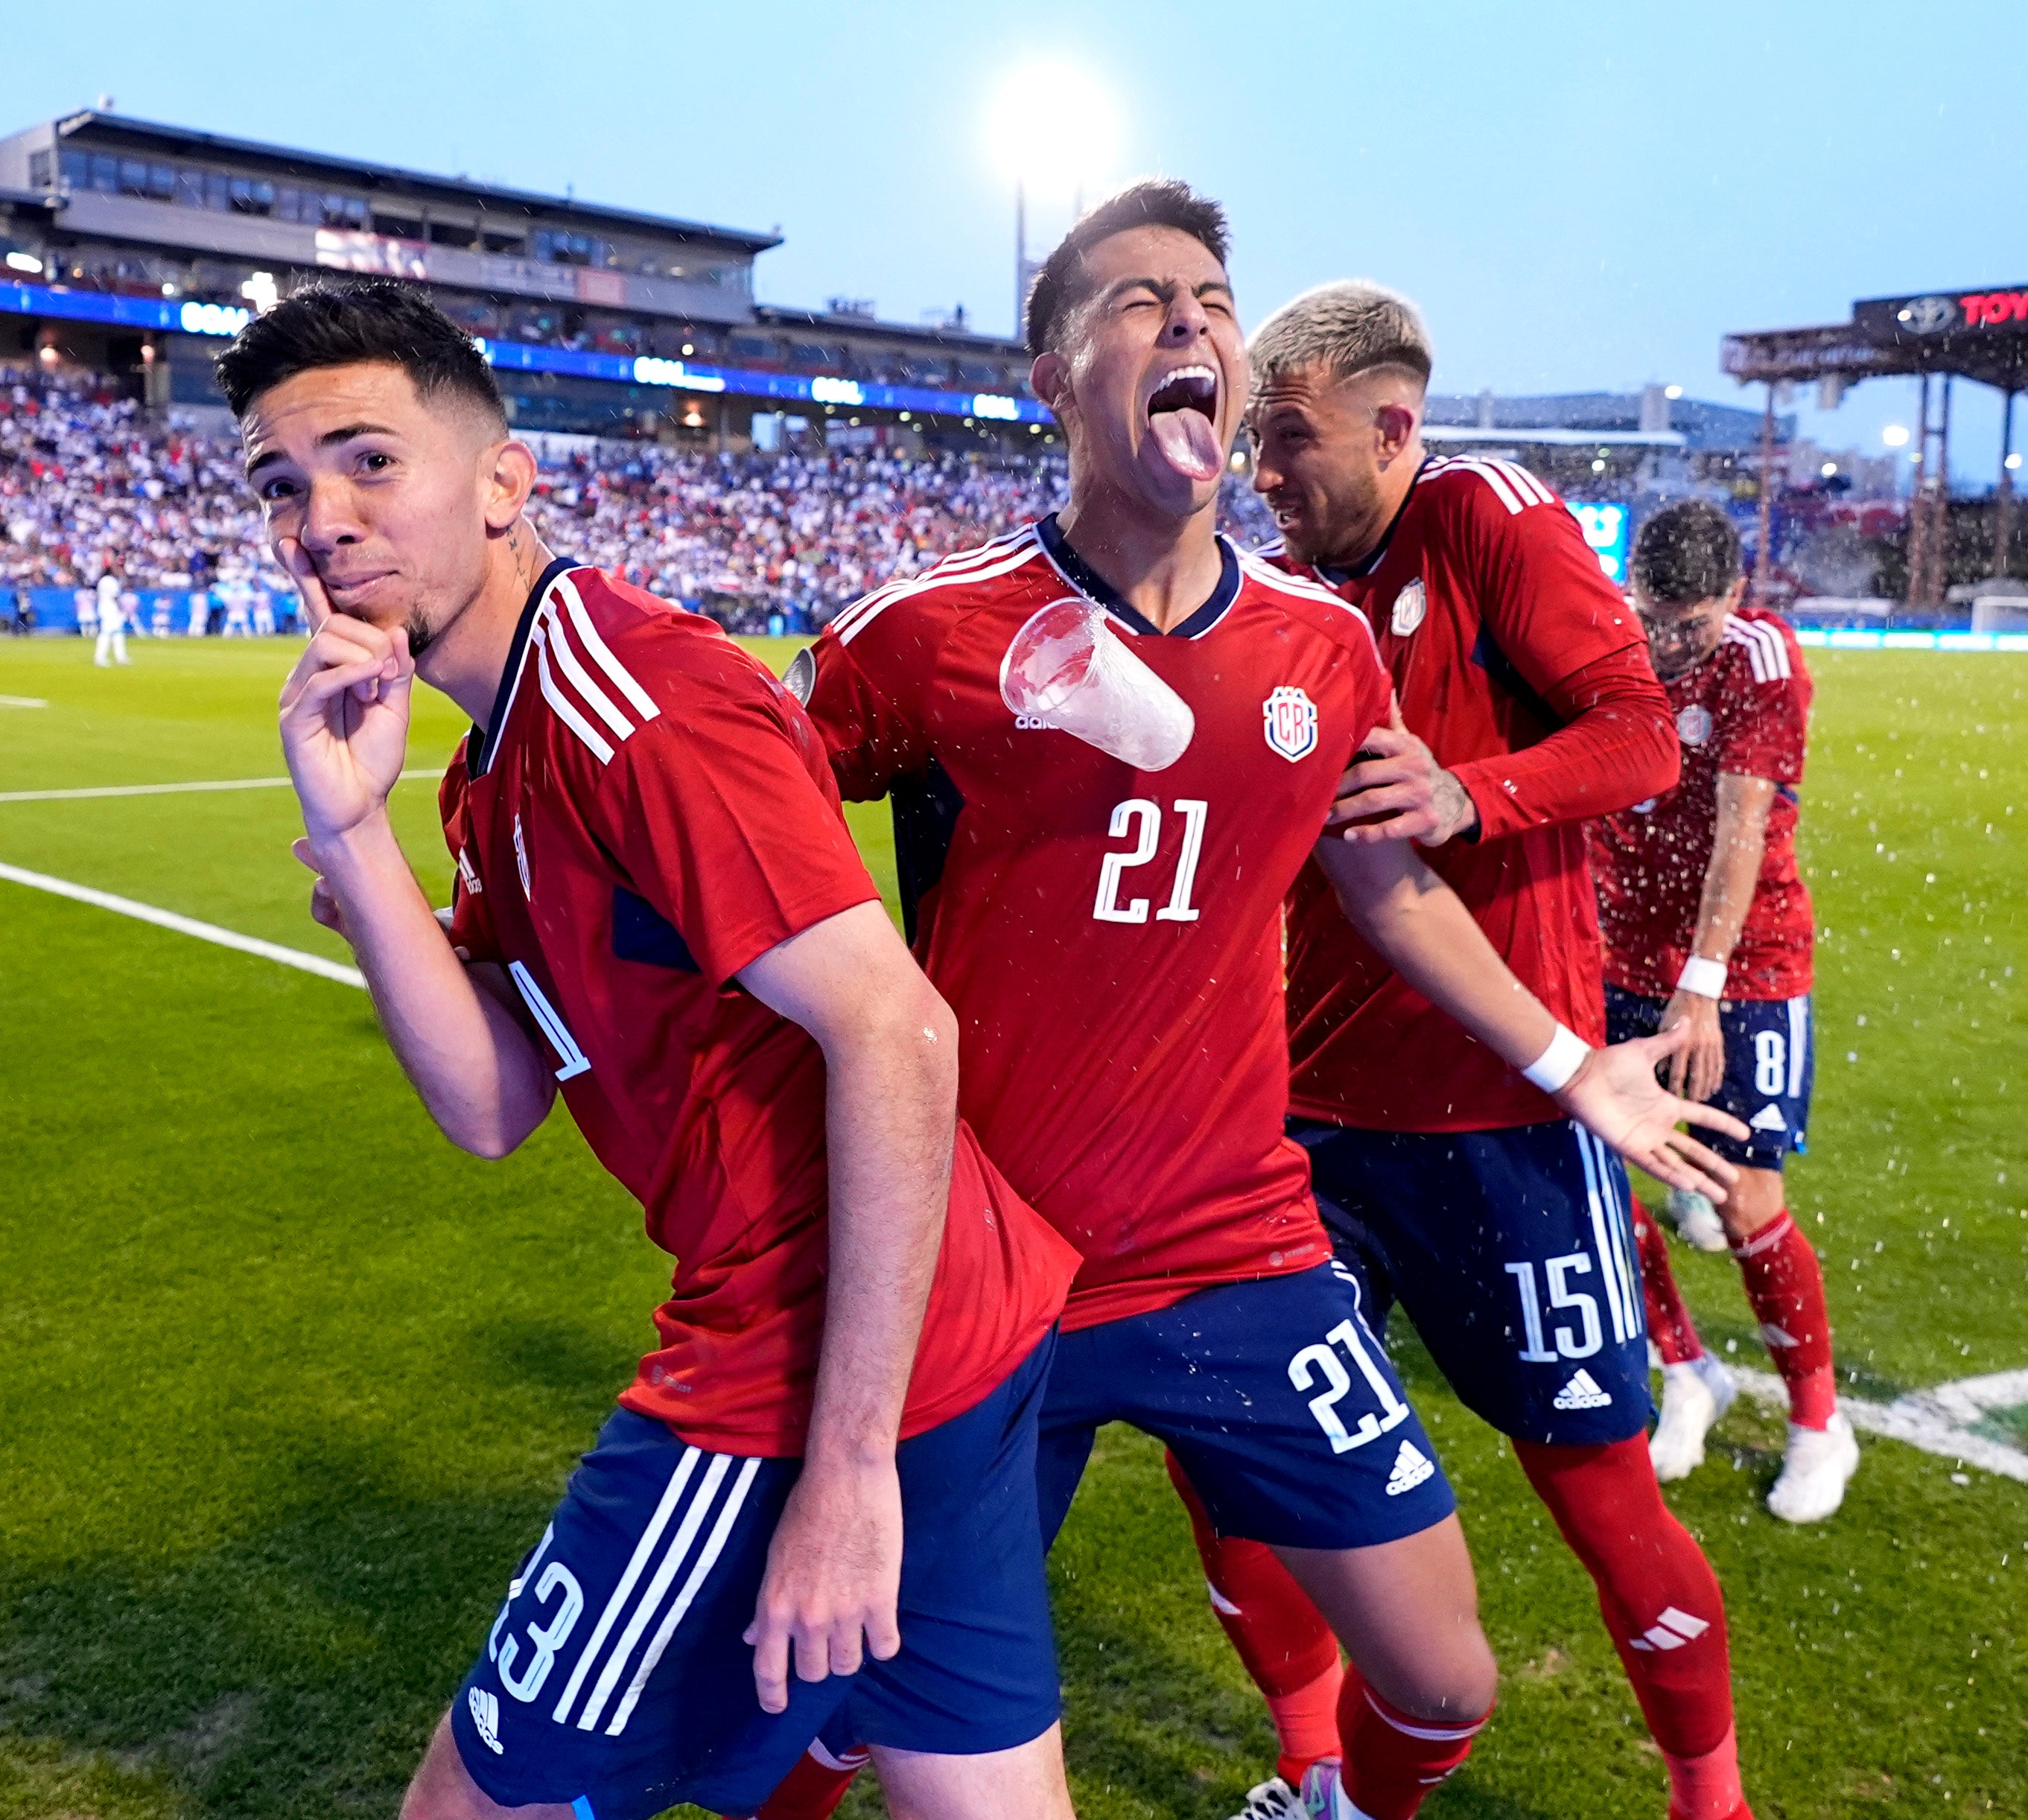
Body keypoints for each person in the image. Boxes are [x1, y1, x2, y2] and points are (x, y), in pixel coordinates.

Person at [789, 183, 1746, 1820]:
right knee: (841, 1682)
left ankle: (1365, 1794)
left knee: (1455, 1662)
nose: (1191, 322)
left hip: (1256, 1235)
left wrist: (1570, 1061)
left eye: (1213, 302)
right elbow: (738, 821)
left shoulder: (1325, 637)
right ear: (1053, 380)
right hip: (998, 1250)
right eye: (1140, 300)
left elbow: (1393, 881)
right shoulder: (931, 629)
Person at [228, 278, 1081, 1820]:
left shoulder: (631, 701)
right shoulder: (498, 762)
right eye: (279, 486)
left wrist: (847, 1468)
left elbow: (896, 1027)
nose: (320, 521)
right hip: (957, 1319)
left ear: (504, 481)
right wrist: (350, 835)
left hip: (801, 1350)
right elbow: (494, 1104)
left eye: (369, 462)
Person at [1174, 281, 1758, 1820]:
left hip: (1507, 1114)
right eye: (1253, 444)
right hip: (1301, 1127)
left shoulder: (1486, 517)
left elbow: (1641, 735)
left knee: (1599, 1491)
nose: (1262, 472)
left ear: (1393, 424)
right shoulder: (1277, 587)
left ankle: (1713, 1804)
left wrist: (1467, 794)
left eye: (1287, 439)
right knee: (1234, 1462)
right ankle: (1314, 1769)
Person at [1595, 498, 1858, 1521]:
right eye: (1653, 619)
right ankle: (1687, 1368)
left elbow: (1740, 829)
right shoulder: (1609, 636)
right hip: (1616, 948)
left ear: (1735, 597)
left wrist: (1700, 986)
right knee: (1588, 1177)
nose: (1666, 646)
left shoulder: (1760, 661)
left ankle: (1817, 1424)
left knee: (1745, 1201)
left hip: (1744, 966)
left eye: (1689, 626)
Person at [93, 571, 128, 666]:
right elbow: (115, 596)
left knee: (117, 632)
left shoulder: (102, 580)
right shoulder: (111, 580)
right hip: (111, 608)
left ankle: (121, 657)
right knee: (107, 632)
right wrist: (121, 608)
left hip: (104, 607)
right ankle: (100, 658)